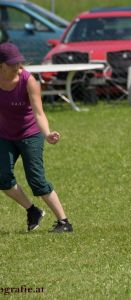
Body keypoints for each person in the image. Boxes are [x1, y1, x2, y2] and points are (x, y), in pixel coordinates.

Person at [0, 42, 73, 233]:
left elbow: (39, 113)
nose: (16, 66)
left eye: (18, 62)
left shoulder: (28, 81)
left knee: (36, 180)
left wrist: (47, 134)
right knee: (2, 178)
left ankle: (64, 222)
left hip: (30, 134)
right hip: (5, 135)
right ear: (2, 65)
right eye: (12, 63)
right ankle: (33, 211)